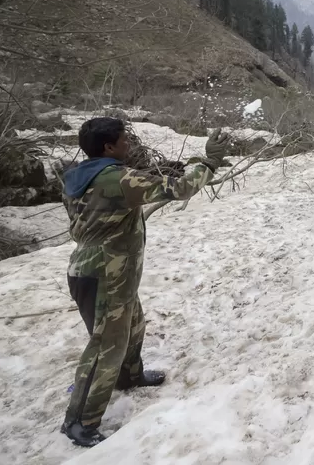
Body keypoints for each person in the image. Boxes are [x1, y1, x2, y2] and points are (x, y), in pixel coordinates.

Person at [59, 117, 231, 447]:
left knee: (134, 326)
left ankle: (130, 375)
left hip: (106, 270)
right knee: (104, 349)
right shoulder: (116, 179)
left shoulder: (81, 174)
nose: (130, 144)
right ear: (109, 147)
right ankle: (79, 421)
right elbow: (179, 189)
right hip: (104, 273)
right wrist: (208, 160)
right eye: (125, 140)